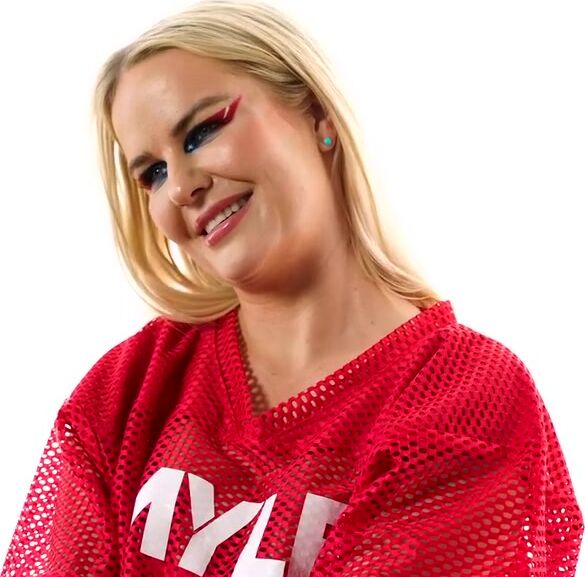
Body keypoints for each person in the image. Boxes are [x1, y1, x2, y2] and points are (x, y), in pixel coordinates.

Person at [2, 0, 582, 575]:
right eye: (153, 172)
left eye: (203, 131)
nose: (179, 187)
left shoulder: (465, 398)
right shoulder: (130, 388)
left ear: (318, 118)